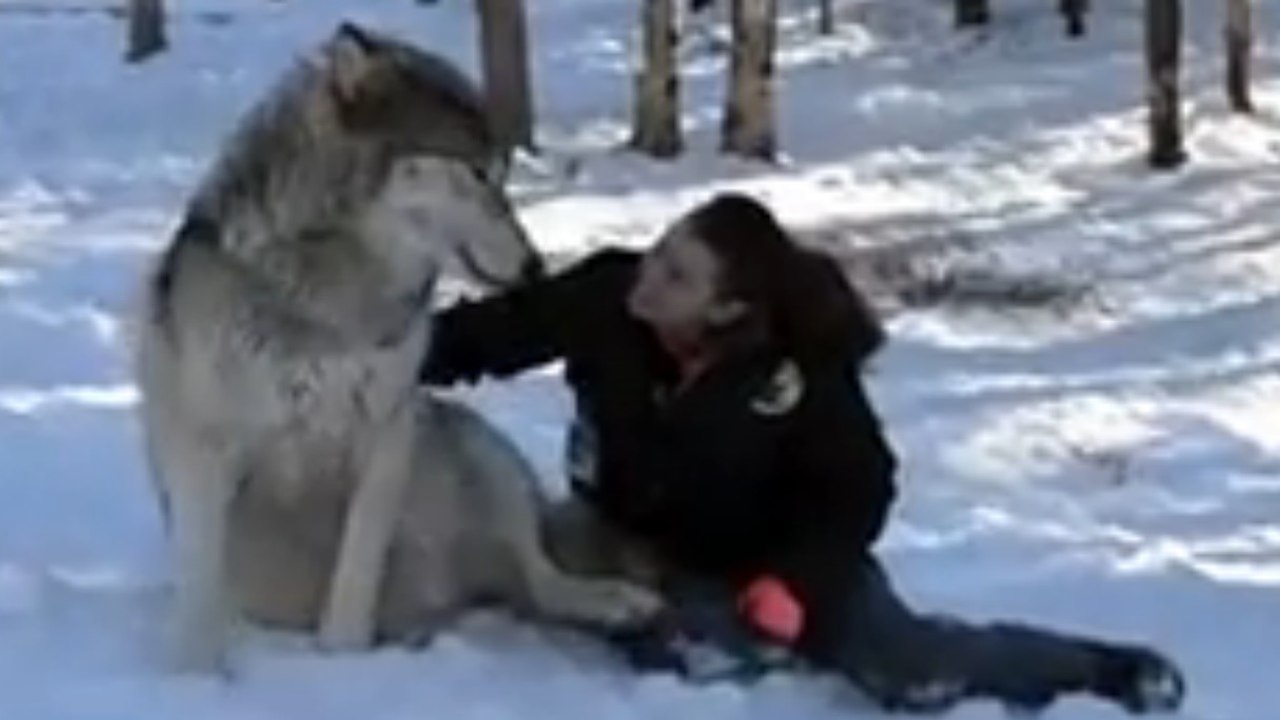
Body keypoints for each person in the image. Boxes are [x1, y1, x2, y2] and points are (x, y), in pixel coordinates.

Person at [419, 193, 1185, 715]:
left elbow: (860, 488)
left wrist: (795, 580)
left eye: (676, 276)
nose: (648, 280)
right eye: (658, 254)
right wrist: (366, 355)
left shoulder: (796, 371)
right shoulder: (608, 298)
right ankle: (730, 641)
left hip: (780, 557)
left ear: (727, 309)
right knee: (658, 638)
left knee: (909, 667)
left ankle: (1100, 669)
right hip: (629, 539)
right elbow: (481, 339)